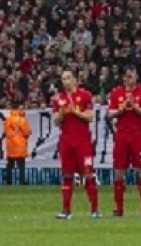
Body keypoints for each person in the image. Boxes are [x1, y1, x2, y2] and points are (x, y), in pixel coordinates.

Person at [52, 70, 100, 219]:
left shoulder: (85, 95)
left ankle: (94, 209)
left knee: (88, 174)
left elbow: (91, 117)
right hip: (66, 141)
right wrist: (61, 113)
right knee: (67, 175)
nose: (65, 81)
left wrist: (75, 112)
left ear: (74, 80)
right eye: (63, 79)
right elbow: (55, 121)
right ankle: (66, 210)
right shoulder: (58, 98)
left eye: (68, 78)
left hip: (82, 141)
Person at [107, 65, 141, 217]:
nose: (129, 79)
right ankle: (118, 207)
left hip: (138, 134)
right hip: (121, 134)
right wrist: (120, 110)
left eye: (132, 76)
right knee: (119, 170)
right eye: (127, 76)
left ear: (136, 77)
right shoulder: (116, 93)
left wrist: (134, 107)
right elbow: (110, 113)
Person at [4, 103, 31, 184]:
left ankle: (8, 182)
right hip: (20, 145)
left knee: (10, 165)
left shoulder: (7, 119)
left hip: (10, 146)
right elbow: (26, 132)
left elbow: (6, 132)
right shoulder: (22, 119)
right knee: (21, 166)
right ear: (19, 109)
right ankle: (21, 181)